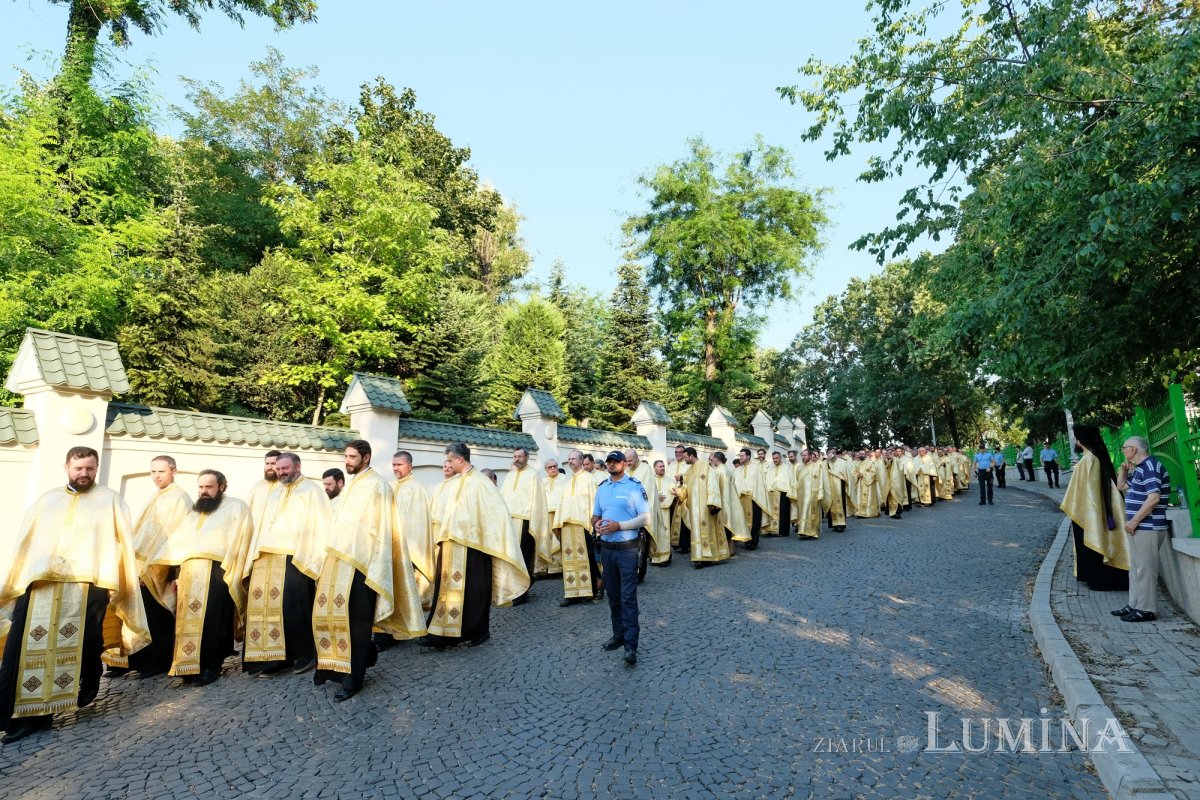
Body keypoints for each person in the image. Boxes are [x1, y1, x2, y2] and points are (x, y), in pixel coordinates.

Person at [0, 447, 149, 744]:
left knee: (86, 640)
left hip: (89, 582)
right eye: (79, 468)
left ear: (96, 469)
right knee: (23, 648)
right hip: (41, 583)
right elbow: (26, 544)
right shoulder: (47, 501)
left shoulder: (110, 500)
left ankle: (90, 675)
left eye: (90, 468)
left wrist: (115, 583)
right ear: (66, 467)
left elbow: (121, 544)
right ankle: (25, 716)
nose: (84, 473)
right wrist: (18, 581)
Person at [312, 441, 425, 701]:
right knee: (326, 615)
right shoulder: (352, 484)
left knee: (356, 625)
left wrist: (375, 565)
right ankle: (330, 668)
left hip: (362, 565)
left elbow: (383, 530)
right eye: (346, 456)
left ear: (366, 457)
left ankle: (353, 679)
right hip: (337, 561)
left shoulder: (378, 486)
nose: (347, 461)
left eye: (352, 457)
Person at [143, 469, 252, 686]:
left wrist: (233, 571)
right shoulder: (195, 511)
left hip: (217, 571)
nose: (203, 492)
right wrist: (174, 574)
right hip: (189, 572)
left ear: (222, 487)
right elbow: (177, 543)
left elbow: (242, 540)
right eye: (200, 487)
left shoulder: (236, 507)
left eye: (208, 487)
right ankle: (187, 666)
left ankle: (211, 666)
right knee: (186, 620)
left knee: (213, 621)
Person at [419, 443, 528, 649]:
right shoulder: (455, 482)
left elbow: (496, 515)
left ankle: (479, 632)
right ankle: (441, 632)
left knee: (474, 590)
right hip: (450, 544)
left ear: (460, 460)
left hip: (474, 547)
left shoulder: (481, 482)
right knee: (446, 590)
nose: (448, 464)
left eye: (450, 460)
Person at [242, 452, 330, 676]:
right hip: (266, 558)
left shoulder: (312, 491)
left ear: (297, 467)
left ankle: (304, 654)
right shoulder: (274, 493)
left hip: (296, 558)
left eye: (285, 468)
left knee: (293, 609)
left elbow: (321, 525)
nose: (280, 472)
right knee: (264, 609)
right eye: (278, 469)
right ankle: (273, 658)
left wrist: (311, 556)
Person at [104, 455, 192, 678]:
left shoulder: (179, 498)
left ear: (174, 471)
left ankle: (155, 664)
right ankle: (130, 662)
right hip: (140, 567)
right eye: (153, 472)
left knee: (156, 618)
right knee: (132, 613)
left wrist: (154, 569)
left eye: (161, 471)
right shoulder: (157, 496)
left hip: (158, 569)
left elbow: (174, 537)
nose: (156, 476)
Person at [592, 451, 649, 668]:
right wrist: (596, 524)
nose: (611, 464)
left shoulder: (634, 486)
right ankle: (619, 635)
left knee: (628, 597)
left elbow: (646, 517)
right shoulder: (602, 488)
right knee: (613, 596)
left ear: (625, 464)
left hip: (627, 550)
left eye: (616, 461)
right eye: (609, 461)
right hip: (607, 549)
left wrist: (620, 526)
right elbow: (595, 514)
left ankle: (631, 646)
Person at [1060, 425, 1129, 592]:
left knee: (1094, 542)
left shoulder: (1089, 459)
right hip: (1089, 509)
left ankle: (1102, 579)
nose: (1075, 441)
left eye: (1076, 437)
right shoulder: (1092, 456)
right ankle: (1096, 577)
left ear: (1080, 440)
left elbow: (1090, 492)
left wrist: (1087, 511)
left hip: (1089, 511)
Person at [1114, 437, 1171, 623]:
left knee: (1145, 569)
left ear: (1134, 449)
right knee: (1137, 568)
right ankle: (1134, 604)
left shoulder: (1150, 467)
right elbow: (1121, 486)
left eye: (1124, 448)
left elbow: (1153, 498)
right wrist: (1123, 470)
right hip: (1139, 527)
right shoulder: (1140, 468)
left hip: (1148, 526)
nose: (1123, 451)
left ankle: (1146, 609)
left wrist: (1134, 521)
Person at [500, 447, 550, 605]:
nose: (516, 459)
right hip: (509, 521)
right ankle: (510, 589)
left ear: (527, 457)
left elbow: (537, 502)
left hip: (525, 523)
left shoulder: (533, 475)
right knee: (510, 556)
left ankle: (522, 592)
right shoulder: (510, 475)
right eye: (514, 456)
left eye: (519, 456)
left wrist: (532, 522)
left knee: (522, 557)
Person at [555, 450, 600, 607]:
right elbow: (561, 503)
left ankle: (590, 591)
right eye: (568, 459)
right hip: (567, 526)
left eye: (573, 458)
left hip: (583, 526)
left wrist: (595, 525)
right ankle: (572, 593)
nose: (570, 461)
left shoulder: (589, 479)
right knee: (569, 561)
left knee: (586, 559)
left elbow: (595, 503)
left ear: (581, 461)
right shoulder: (566, 481)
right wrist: (558, 523)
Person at [391, 451, 435, 611]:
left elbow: (418, 524)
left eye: (399, 465)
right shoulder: (390, 485)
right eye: (393, 465)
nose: (395, 468)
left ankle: (404, 632)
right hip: (389, 548)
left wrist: (404, 548)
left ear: (410, 466)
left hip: (406, 550)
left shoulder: (417, 489)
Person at [677, 448, 730, 565]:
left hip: (705, 507)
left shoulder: (706, 467)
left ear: (691, 456)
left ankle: (707, 557)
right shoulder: (689, 470)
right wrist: (679, 493)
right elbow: (685, 487)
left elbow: (713, 484)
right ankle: (698, 556)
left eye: (685, 457)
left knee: (707, 531)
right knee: (696, 532)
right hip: (693, 509)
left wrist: (713, 502)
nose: (684, 459)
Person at [733, 448, 768, 549]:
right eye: (739, 456)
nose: (740, 457)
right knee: (743, 520)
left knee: (755, 520)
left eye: (742, 455)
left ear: (748, 456)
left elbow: (760, 484)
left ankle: (753, 541)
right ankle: (745, 539)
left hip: (753, 497)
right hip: (741, 498)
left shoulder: (756, 468)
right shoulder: (738, 470)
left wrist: (755, 494)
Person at [542, 459, 568, 575]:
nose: (553, 468)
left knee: (560, 539)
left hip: (560, 513)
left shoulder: (565, 479)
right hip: (547, 513)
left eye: (554, 466)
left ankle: (563, 565)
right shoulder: (543, 481)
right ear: (546, 469)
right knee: (549, 539)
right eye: (550, 467)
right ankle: (551, 566)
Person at [247, 450, 284, 530]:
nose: (269, 467)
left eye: (273, 464)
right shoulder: (258, 487)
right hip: (256, 533)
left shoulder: (287, 487)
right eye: (267, 464)